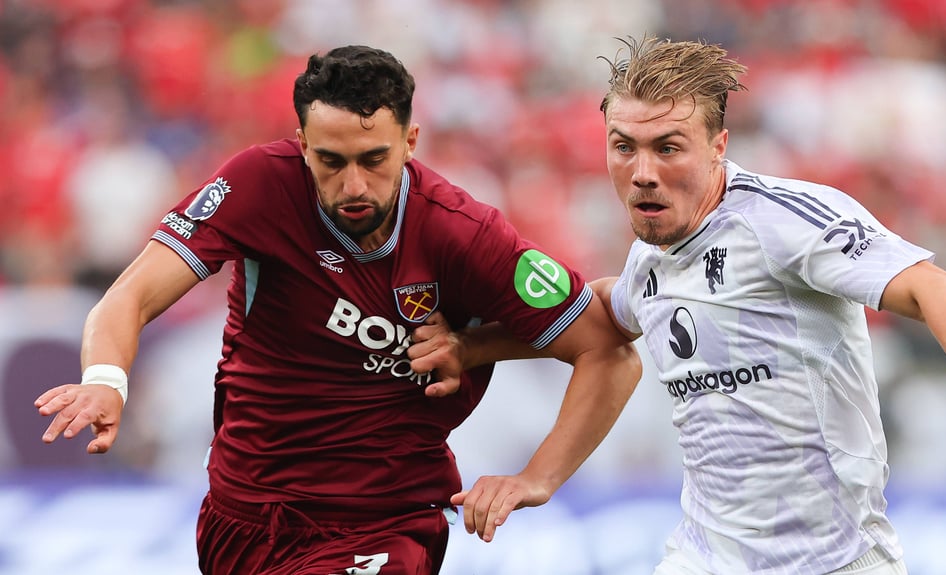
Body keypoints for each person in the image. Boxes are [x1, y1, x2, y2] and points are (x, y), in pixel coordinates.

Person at [34, 45, 641, 575]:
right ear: (302, 145)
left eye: (373, 160)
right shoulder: (257, 187)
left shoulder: (463, 234)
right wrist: (106, 379)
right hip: (240, 517)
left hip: (384, 523)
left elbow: (608, 351)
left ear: (410, 142)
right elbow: (130, 294)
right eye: (331, 160)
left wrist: (536, 478)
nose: (354, 185)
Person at [437, 36, 946, 574]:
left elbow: (934, 287)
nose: (643, 173)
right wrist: (475, 347)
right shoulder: (652, 259)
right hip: (705, 557)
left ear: (718, 146)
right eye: (624, 147)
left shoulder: (783, 222)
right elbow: (603, 320)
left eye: (668, 148)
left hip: (836, 560)